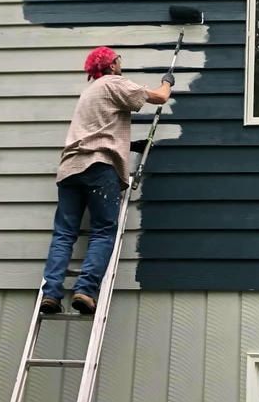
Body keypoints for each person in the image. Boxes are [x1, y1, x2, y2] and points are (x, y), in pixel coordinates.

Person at [39, 46, 175, 315]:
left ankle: (51, 294)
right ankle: (85, 291)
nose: (120, 64)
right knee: (103, 231)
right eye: (118, 60)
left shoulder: (89, 92)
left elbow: (101, 128)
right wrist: (167, 82)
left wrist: (128, 145)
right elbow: (159, 98)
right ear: (111, 66)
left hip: (70, 168)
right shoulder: (114, 83)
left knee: (64, 233)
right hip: (99, 166)